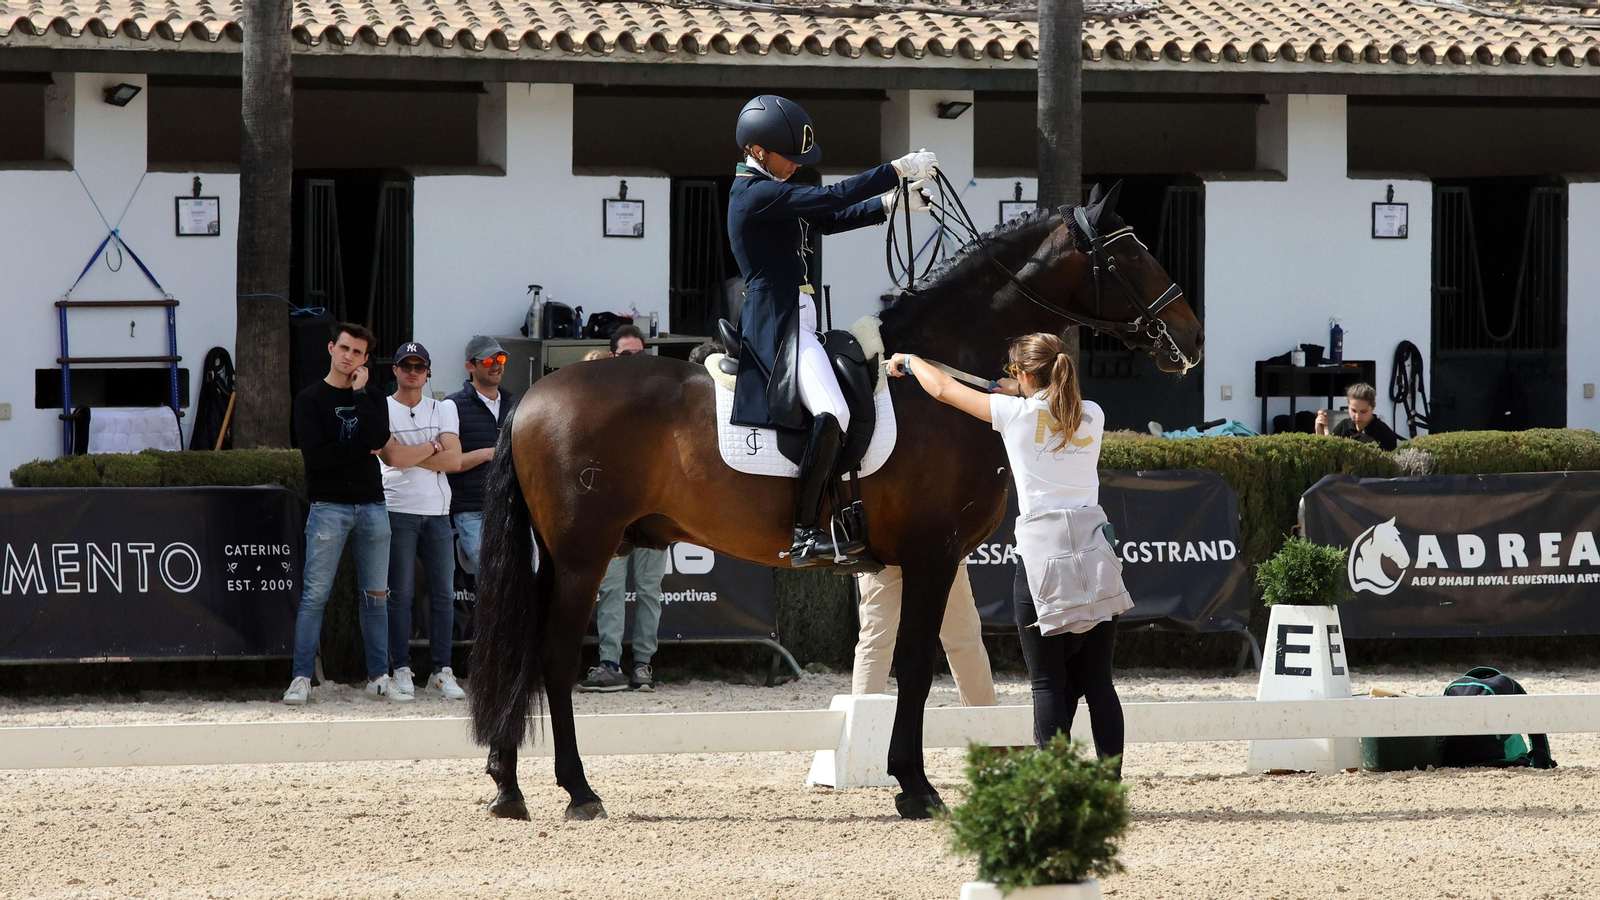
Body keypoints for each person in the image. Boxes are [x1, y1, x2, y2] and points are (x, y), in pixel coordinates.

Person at [886, 334, 1132, 774]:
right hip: (1096, 551)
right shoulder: (1091, 414)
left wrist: (910, 359)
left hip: (1044, 555)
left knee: (1047, 682)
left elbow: (942, 389)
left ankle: (1054, 780)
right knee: (1098, 681)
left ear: (1022, 374)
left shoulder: (1014, 415)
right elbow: (1051, 407)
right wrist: (1019, 389)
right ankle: (1110, 781)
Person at [727, 93, 939, 566]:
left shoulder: (773, 191)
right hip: (778, 324)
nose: (797, 166)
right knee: (834, 411)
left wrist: (891, 205)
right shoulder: (755, 194)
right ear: (757, 151)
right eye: (790, 157)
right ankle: (804, 532)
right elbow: (830, 196)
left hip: (798, 317)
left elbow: (826, 218)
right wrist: (895, 171)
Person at [283, 323, 405, 705]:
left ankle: (378, 677)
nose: (349, 356)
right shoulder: (309, 399)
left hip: (373, 504)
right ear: (331, 347)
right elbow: (317, 459)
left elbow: (378, 441)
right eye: (345, 348)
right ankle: (301, 677)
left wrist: (358, 394)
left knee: (376, 597)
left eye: (357, 352)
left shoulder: (373, 398)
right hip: (328, 507)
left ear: (366, 360)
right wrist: (359, 448)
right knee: (315, 596)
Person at [579, 324, 668, 693]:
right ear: (614, 357)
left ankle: (644, 665)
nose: (635, 361)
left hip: (653, 511)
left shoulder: (660, 398)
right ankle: (609, 663)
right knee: (612, 589)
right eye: (628, 355)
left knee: (649, 589)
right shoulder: (599, 399)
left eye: (641, 355)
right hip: (615, 511)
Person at [377, 341, 467, 701]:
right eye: (406, 366)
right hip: (398, 508)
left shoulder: (444, 407)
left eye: (419, 366)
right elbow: (391, 458)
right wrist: (432, 447)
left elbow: (455, 460)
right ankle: (401, 667)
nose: (412, 372)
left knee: (444, 594)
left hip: (438, 512)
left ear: (428, 371)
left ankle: (441, 669)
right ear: (395, 370)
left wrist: (409, 452)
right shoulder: (382, 407)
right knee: (401, 594)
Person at [852, 564, 996, 707]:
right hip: (941, 550)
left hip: (883, 557)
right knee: (963, 640)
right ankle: (985, 721)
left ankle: (862, 719)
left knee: (875, 642)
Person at [446, 336, 517, 574]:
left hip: (510, 507)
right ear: (470, 366)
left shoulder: (515, 405)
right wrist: (488, 454)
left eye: (500, 358)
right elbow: (446, 463)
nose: (496, 365)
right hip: (472, 507)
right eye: (488, 360)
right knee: (491, 575)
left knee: (521, 576)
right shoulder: (452, 405)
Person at [1315, 382, 1399, 451]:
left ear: (1373, 407)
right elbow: (1328, 454)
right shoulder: (1343, 426)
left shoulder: (1385, 434)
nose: (1357, 416)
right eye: (1353, 411)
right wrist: (1319, 434)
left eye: (1363, 411)